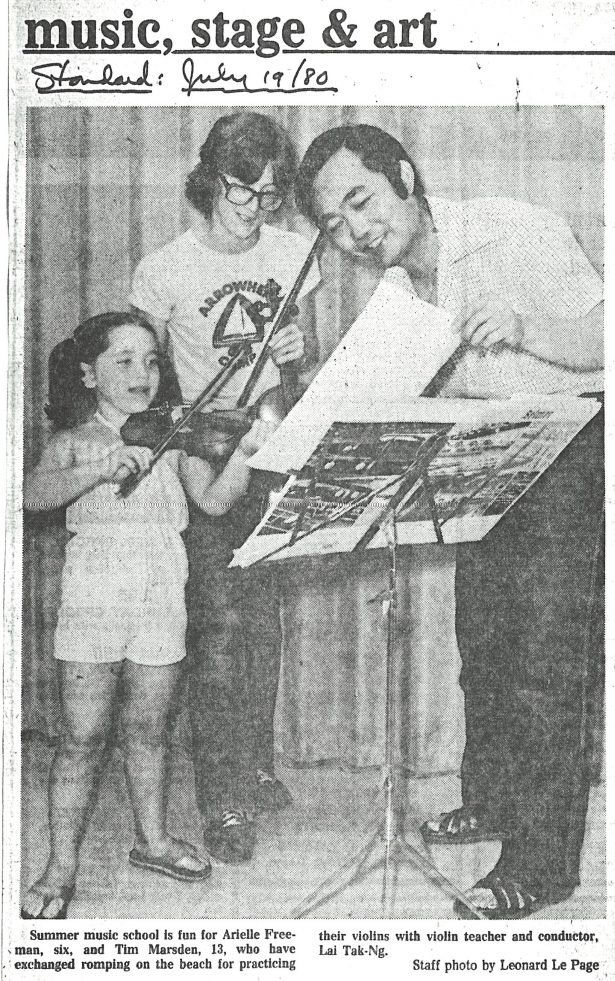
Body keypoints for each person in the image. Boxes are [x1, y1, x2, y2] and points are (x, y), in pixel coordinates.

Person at [295, 124, 604, 918]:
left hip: (568, 443)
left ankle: (542, 864)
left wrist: (533, 330)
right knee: (485, 646)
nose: (356, 231)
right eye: (334, 224)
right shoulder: (395, 292)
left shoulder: (515, 227)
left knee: (544, 666)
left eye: (360, 201)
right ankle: (495, 797)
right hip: (482, 454)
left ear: (403, 175)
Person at [22, 311, 272, 918]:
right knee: (81, 735)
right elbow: (29, 495)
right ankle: (59, 866)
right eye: (125, 361)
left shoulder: (174, 435)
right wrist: (97, 469)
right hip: (96, 593)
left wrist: (245, 453)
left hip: (162, 587)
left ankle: (153, 841)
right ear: (88, 373)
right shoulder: (77, 439)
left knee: (149, 727)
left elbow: (212, 501)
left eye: (152, 361)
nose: (144, 373)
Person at [130, 112, 320, 863]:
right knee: (219, 632)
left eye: (270, 195)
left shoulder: (294, 252)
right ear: (212, 177)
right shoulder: (164, 268)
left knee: (263, 626)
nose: (255, 208)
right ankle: (226, 801)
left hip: (271, 448)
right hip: (206, 457)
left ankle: (252, 763)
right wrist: (179, 448)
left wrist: (299, 353)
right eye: (244, 190)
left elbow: (298, 371)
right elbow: (142, 379)